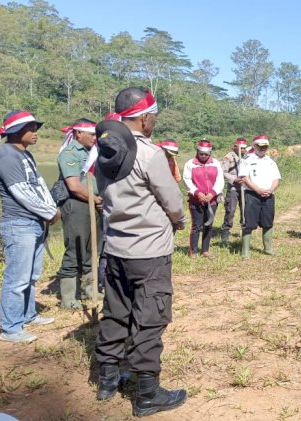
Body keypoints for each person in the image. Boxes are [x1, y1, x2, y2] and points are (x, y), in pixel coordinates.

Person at [93, 88, 187, 417]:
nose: (154, 122)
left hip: (116, 246)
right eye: (154, 117)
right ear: (145, 117)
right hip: (148, 251)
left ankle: (107, 380)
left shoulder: (103, 149)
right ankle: (147, 395)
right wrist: (178, 221)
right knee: (149, 319)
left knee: (116, 312)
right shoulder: (149, 154)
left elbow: (101, 193)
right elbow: (172, 201)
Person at [0, 111, 58, 343]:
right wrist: (50, 212)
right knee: (17, 278)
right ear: (16, 132)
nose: (36, 133)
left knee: (32, 275)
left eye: (35, 127)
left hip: (33, 221)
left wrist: (50, 208)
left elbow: (39, 186)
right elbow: (21, 192)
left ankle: (28, 314)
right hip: (18, 223)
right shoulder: (6, 155)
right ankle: (11, 328)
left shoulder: (25, 155)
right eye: (30, 128)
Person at [56, 118, 103, 310]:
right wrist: (97, 200)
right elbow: (74, 186)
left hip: (94, 204)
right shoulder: (70, 153)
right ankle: (68, 298)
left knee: (93, 249)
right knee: (75, 248)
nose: (94, 138)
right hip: (77, 204)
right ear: (78, 134)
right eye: (91, 134)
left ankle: (89, 290)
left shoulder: (94, 153)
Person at [238, 135, 281, 259]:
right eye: (260, 147)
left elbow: (276, 179)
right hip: (252, 195)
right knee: (249, 223)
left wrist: (271, 190)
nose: (263, 149)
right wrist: (257, 190)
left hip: (268, 195)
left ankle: (268, 248)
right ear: (255, 146)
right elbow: (244, 178)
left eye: (265, 147)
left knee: (268, 222)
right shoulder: (247, 160)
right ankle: (245, 251)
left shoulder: (270, 161)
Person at [183, 139, 224, 259]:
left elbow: (220, 181)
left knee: (209, 224)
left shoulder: (215, 163)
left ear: (210, 153)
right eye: (201, 153)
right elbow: (187, 180)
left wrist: (212, 193)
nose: (203, 156)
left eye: (206, 154)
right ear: (197, 152)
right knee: (197, 226)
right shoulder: (190, 164)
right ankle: (193, 251)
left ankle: (205, 250)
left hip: (212, 200)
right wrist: (196, 192)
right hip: (196, 200)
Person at [220, 138, 250, 243]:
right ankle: (225, 232)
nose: (242, 150)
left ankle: (244, 231)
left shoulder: (247, 157)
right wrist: (234, 179)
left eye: (244, 148)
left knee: (245, 210)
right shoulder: (228, 157)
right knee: (230, 210)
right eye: (241, 148)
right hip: (233, 188)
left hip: (245, 188)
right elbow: (223, 172)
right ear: (235, 147)